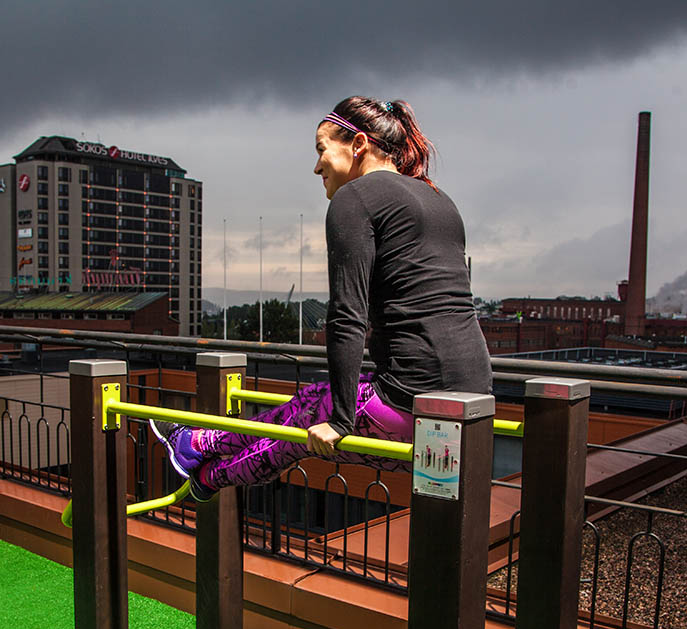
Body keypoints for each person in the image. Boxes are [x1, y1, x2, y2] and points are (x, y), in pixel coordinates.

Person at [152, 96, 492, 501]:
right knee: (312, 399)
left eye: (321, 150)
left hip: (413, 407)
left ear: (358, 144)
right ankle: (200, 452)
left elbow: (347, 316)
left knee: (307, 422)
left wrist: (343, 421)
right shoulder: (439, 199)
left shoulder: (358, 197)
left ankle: (206, 469)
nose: (316, 167)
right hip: (474, 403)